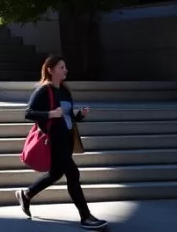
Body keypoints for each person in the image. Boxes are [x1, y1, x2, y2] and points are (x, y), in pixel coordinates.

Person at [15, 55, 108, 230]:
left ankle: (26, 194)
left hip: (67, 140)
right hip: (54, 141)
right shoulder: (43, 90)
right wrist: (50, 114)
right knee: (73, 173)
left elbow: (66, 115)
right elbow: (29, 113)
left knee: (56, 174)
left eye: (65, 67)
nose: (65, 70)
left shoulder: (64, 90)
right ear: (50, 70)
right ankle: (86, 217)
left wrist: (78, 114)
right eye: (61, 67)